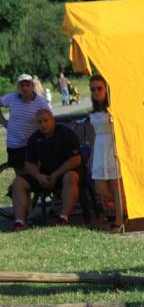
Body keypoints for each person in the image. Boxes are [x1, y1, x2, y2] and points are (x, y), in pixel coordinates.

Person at [11, 109, 83, 230]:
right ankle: (20, 222)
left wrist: (55, 175)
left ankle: (63, 218)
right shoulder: (34, 138)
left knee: (70, 177)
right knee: (18, 182)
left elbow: (76, 159)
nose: (43, 124)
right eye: (39, 122)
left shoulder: (66, 133)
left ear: (52, 120)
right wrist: (39, 176)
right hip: (45, 175)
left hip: (66, 172)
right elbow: (29, 163)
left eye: (46, 120)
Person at [88, 74, 126, 232]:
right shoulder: (93, 111)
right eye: (93, 89)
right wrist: (91, 155)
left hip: (112, 145)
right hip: (99, 147)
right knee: (100, 187)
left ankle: (119, 219)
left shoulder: (113, 108)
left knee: (116, 184)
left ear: (106, 89)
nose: (96, 92)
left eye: (99, 88)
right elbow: (93, 133)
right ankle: (124, 207)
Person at [0, 74, 49, 174]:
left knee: (37, 175)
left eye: (27, 85)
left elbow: (49, 120)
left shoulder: (40, 102)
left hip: (33, 145)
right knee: (21, 176)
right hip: (15, 145)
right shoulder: (12, 98)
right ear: (18, 88)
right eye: (22, 85)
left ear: (33, 86)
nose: (25, 88)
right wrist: (3, 122)